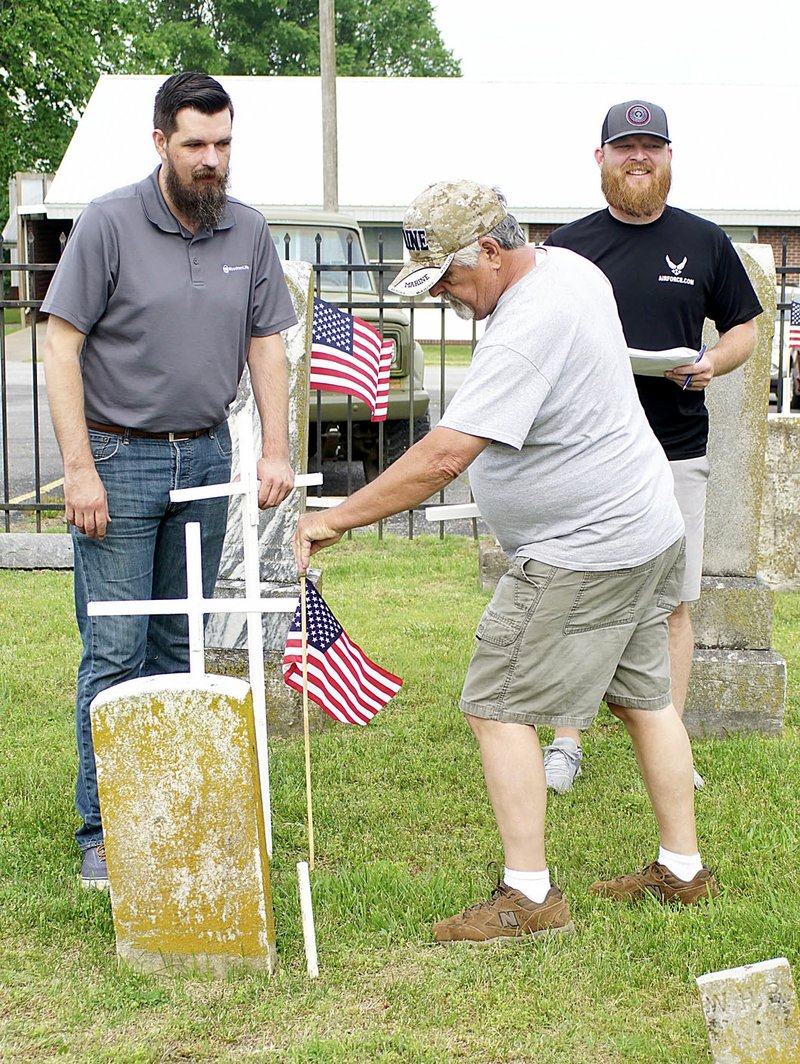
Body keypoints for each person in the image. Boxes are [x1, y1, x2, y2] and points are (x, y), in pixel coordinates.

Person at [293, 179, 718, 944]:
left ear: (491, 249)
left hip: (586, 548)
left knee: (495, 702)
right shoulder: (572, 268)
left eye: (451, 278)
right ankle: (682, 871)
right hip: (643, 526)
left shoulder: (531, 319)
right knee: (644, 698)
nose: (450, 296)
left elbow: (444, 456)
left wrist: (336, 520)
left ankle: (529, 897)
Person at [42, 72, 298, 890]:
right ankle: (104, 833)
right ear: (161, 142)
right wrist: (78, 469)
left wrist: (275, 450)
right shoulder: (109, 223)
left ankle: (172, 805)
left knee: (182, 645)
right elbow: (60, 344)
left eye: (223, 144)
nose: (211, 161)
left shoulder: (248, 231)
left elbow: (266, 345)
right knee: (115, 649)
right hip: (118, 460)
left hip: (209, 455)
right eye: (195, 145)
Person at [543, 99, 762, 793]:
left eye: (652, 147)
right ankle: (566, 741)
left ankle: (671, 747)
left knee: (671, 603)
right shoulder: (568, 247)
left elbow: (744, 331)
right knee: (578, 594)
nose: (639, 157)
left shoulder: (705, 242)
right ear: (601, 157)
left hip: (675, 450)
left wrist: (711, 364)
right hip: (587, 452)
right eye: (625, 146)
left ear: (669, 158)